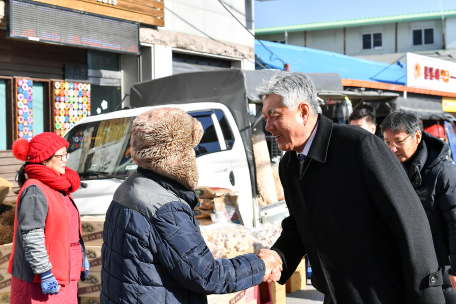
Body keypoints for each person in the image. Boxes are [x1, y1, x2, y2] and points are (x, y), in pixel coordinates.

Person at [256, 71, 444, 303]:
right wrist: (279, 257)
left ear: (303, 112)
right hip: (335, 295)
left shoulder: (359, 146)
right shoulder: (289, 165)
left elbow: (411, 224)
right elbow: (299, 226)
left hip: (383, 295)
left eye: (274, 115)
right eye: (265, 117)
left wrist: (428, 297)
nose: (268, 126)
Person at [100, 107, 281, 304]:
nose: (194, 156)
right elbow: (207, 275)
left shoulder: (131, 186)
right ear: (176, 154)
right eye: (190, 149)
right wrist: (260, 265)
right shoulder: (164, 206)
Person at [382, 111, 456, 303]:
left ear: (417, 136)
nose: (392, 148)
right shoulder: (390, 168)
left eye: (398, 141)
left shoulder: (443, 173)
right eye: (387, 142)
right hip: (405, 265)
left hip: (440, 268)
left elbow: (455, 223)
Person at [9, 133, 89, 304]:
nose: (65, 159)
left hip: (65, 275)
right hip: (43, 279)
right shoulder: (35, 190)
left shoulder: (59, 186)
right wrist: (45, 272)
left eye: (65, 154)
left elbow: (70, 228)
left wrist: (81, 256)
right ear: (44, 159)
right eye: (60, 156)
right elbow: (32, 237)